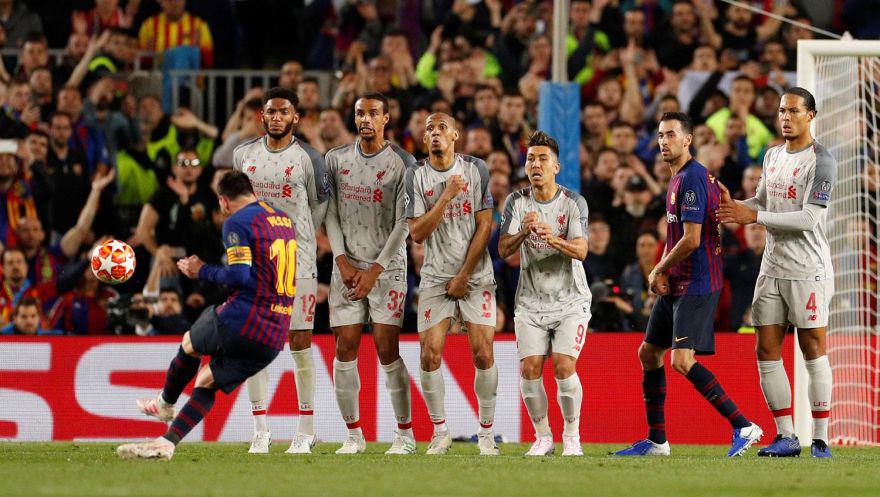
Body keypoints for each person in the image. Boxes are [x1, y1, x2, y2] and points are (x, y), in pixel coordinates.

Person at [116, 171, 297, 460]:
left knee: (190, 343)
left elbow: (238, 275)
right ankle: (167, 442)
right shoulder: (283, 219)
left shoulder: (237, 221)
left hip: (244, 317)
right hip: (274, 335)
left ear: (224, 201)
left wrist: (201, 269)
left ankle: (164, 403)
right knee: (206, 381)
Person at [614, 112, 762, 457]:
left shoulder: (693, 178)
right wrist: (666, 271)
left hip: (697, 281)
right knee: (649, 353)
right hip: (677, 280)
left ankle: (744, 425)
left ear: (687, 140)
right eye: (660, 135)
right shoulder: (678, 177)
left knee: (681, 360)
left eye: (671, 135)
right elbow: (677, 235)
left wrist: (657, 269)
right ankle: (657, 441)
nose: (664, 141)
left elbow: (692, 239)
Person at [717, 87, 836, 458]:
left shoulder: (822, 160)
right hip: (772, 267)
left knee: (811, 348)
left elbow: (808, 218)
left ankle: (820, 438)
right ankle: (786, 436)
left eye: (794, 111)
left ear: (810, 115)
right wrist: (735, 206)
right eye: (782, 111)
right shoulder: (772, 156)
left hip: (808, 269)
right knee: (766, 349)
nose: (785, 117)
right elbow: (762, 203)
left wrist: (751, 216)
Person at [234, 87, 329, 454]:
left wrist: (296, 234)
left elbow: (319, 206)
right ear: (262, 116)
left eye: (283, 112)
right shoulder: (244, 155)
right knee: (254, 343)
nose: (276, 117)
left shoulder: (308, 157)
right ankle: (261, 429)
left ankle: (305, 429)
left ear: (295, 118)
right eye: (271, 111)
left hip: (298, 261)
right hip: (256, 263)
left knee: (300, 343)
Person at [324, 92, 416, 455]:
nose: (365, 119)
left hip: (388, 268)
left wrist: (376, 270)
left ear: (386, 119)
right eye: (360, 112)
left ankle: (405, 435)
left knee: (385, 347)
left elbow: (404, 223)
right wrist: (341, 260)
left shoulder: (404, 164)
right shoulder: (336, 159)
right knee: (344, 347)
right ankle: (354, 435)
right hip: (346, 267)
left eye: (373, 113)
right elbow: (329, 212)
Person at [405, 113, 499, 455]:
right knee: (429, 355)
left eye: (441, 127)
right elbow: (416, 233)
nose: (433, 133)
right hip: (433, 276)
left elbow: (485, 226)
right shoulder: (415, 174)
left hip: (476, 275)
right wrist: (445, 197)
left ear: (455, 135)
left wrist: (463, 275)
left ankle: (486, 434)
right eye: (428, 129)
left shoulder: (476, 169)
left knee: (483, 353)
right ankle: (440, 431)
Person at [498, 131, 591, 457]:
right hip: (530, 300)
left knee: (564, 366)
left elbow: (581, 250)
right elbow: (503, 249)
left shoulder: (573, 202)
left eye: (542, 159)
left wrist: (553, 238)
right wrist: (524, 229)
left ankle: (572, 435)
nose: (535, 165)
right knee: (530, 368)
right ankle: (543, 436)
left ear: (556, 166)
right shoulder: (516, 202)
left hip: (570, 299)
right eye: (530, 159)